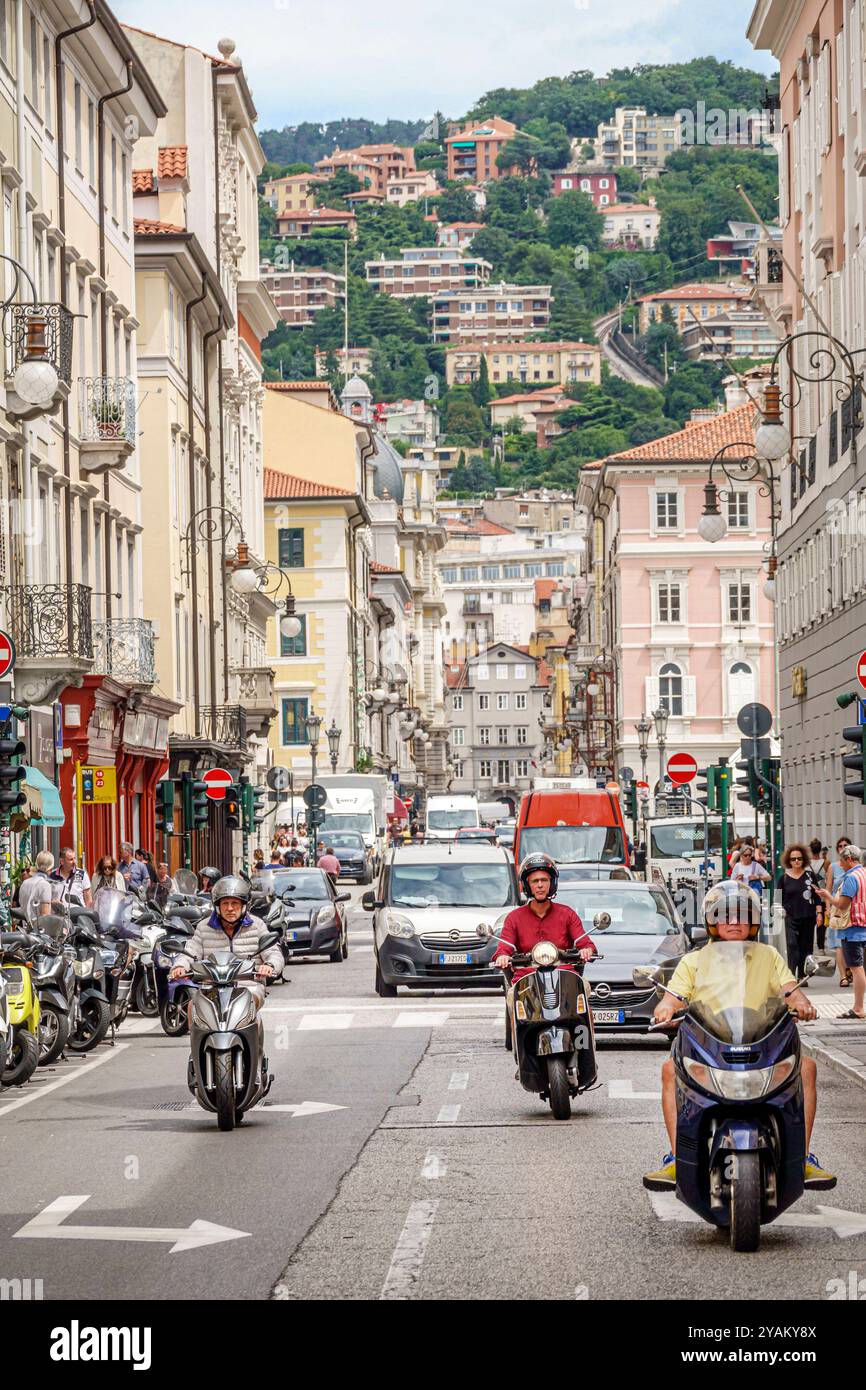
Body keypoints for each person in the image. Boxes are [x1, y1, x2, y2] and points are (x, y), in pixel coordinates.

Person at [643, 879, 835, 1192]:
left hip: (763, 1041)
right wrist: (664, 1009)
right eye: (726, 915)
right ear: (712, 921)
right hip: (708, 1044)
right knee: (669, 1071)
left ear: (754, 922)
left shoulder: (769, 955)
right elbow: (674, 996)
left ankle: (803, 1157)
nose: (735, 923)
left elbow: (789, 990)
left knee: (808, 1068)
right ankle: (677, 1158)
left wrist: (803, 1003)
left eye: (743, 916)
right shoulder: (694, 960)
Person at [169, 875, 283, 1014]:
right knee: (193, 1006)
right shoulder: (204, 927)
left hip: (248, 987)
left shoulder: (257, 925)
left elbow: (273, 952)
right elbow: (190, 951)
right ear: (218, 906)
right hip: (211, 988)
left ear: (243, 905)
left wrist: (269, 965)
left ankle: (252, 1035)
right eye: (225, 903)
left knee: (248, 1005)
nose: (230, 908)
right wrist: (180, 966)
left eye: (234, 903)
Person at [493, 854, 596, 1007]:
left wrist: (586, 950)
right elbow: (504, 948)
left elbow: (585, 943)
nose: (540, 885)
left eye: (544, 880)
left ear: (551, 883)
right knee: (511, 996)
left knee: (585, 989)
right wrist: (502, 957)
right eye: (535, 881)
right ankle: (518, 1031)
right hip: (526, 980)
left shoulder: (567, 913)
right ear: (527, 885)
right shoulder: (514, 918)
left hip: (565, 979)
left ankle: (586, 1031)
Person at [818, 843, 866, 1021]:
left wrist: (828, 896)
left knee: (856, 968)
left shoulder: (851, 878)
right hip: (863, 924)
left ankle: (859, 1007)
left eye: (842, 860)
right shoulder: (864, 873)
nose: (840, 864)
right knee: (860, 967)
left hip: (852, 928)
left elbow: (843, 904)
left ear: (849, 859)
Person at [777, 844, 821, 980]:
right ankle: (791, 973)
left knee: (805, 947)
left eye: (799, 858)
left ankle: (802, 976)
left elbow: (817, 897)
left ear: (804, 860)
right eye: (793, 859)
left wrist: (819, 914)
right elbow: (777, 899)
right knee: (792, 944)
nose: (796, 861)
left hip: (808, 916)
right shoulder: (783, 878)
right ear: (788, 861)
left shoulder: (810, 876)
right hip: (790, 917)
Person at [826, 837, 853, 986]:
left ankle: (850, 968)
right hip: (837, 909)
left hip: (853, 910)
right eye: (840, 846)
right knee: (838, 944)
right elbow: (828, 889)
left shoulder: (857, 867)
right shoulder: (833, 867)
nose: (842, 847)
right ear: (837, 849)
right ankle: (842, 976)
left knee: (851, 942)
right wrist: (828, 909)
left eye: (845, 845)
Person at [19, 850, 56, 922]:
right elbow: (45, 915)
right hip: (39, 930)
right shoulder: (45, 885)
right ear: (50, 868)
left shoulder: (25, 883)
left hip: (26, 928)